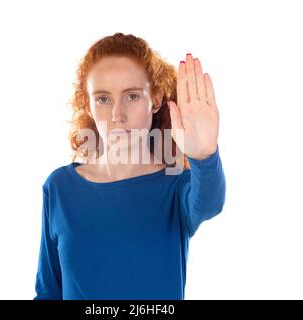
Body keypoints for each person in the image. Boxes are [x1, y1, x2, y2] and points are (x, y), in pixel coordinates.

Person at [34, 32, 226, 300]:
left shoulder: (176, 185)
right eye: (103, 98)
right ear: (88, 104)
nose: (117, 115)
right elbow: (48, 292)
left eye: (132, 96)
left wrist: (204, 155)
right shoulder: (60, 188)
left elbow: (210, 202)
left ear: (156, 99)